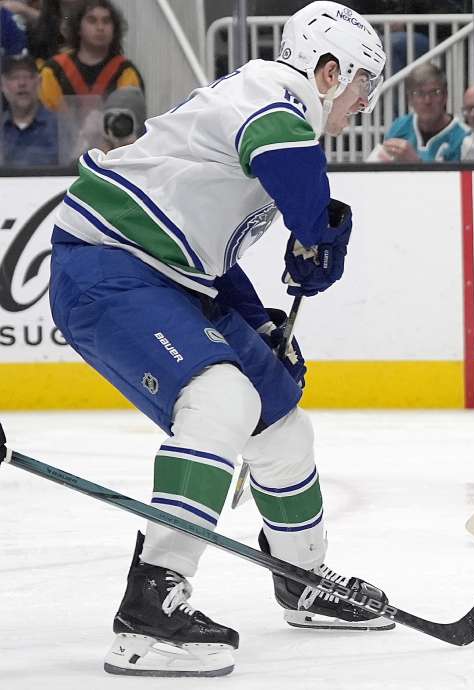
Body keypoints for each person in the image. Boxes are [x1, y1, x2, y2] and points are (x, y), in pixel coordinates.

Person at [47, 2, 392, 677]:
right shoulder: (273, 96)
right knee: (222, 398)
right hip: (104, 269)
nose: (364, 104)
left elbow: (193, 242)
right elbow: (285, 158)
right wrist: (320, 227)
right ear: (328, 72)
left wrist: (255, 315)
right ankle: (150, 607)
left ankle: (304, 580)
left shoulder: (267, 106)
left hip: (165, 276)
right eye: (362, 85)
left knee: (280, 422)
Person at [38, 0, 144, 112]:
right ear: (78, 27)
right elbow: (46, 120)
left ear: (114, 29)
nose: (100, 27)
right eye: (92, 21)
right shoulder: (53, 71)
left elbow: (131, 120)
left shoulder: (126, 72)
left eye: (106, 21)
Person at [367, 62, 467, 162]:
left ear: (445, 96)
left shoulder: (463, 137)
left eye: (435, 92)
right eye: (419, 93)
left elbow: (462, 177)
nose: (427, 100)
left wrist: (416, 163)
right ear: (410, 99)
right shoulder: (399, 127)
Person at [1, 54, 59, 166]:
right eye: (14, 77)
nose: (22, 83)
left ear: (39, 82)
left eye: (28, 76)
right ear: (2, 85)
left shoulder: (60, 127)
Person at [98, 83, 143, 152]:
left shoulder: (150, 155)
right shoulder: (100, 153)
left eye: (125, 122)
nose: (119, 126)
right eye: (113, 119)